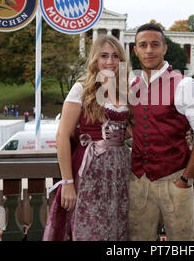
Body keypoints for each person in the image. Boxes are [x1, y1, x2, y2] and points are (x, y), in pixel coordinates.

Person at [42, 35, 132, 241]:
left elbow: (128, 131)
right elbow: (62, 135)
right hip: (89, 167)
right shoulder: (81, 89)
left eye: (115, 56)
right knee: (90, 228)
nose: (110, 61)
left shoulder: (124, 91)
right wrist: (67, 182)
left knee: (116, 227)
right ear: (95, 59)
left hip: (120, 171)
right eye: (104, 56)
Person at [128, 23, 194, 241]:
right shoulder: (131, 86)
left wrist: (186, 179)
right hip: (139, 180)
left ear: (164, 48)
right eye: (143, 45)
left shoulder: (184, 84)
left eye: (155, 44)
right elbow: (133, 126)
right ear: (135, 50)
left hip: (175, 178)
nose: (149, 50)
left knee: (182, 241)